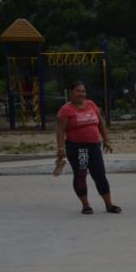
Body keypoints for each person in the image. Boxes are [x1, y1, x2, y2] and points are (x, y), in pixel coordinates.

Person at [55, 81, 120, 214]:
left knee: (100, 175)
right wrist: (60, 148)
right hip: (77, 148)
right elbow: (60, 130)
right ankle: (86, 205)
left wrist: (106, 140)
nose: (81, 94)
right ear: (71, 93)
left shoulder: (91, 104)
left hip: (94, 146)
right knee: (81, 175)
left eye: (83, 91)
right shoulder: (66, 110)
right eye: (78, 91)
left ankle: (109, 204)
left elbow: (100, 123)